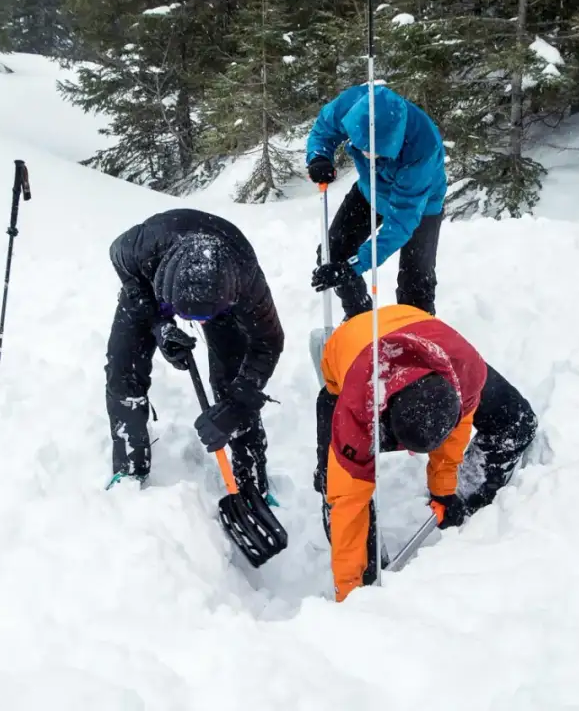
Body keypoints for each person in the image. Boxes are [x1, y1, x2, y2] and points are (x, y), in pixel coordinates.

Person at [315, 298, 538, 602]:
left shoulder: (464, 369)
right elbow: (349, 499)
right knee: (341, 492)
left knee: (516, 422)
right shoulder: (356, 410)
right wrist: (350, 593)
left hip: (431, 341)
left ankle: (467, 490)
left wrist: (444, 490)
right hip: (349, 356)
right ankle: (363, 580)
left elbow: (458, 426)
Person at [104, 208, 285, 498]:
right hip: (151, 290)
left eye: (203, 320)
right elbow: (118, 258)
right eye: (190, 318)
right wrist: (159, 325)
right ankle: (129, 466)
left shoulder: (246, 280)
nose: (198, 326)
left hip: (220, 294)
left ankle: (249, 476)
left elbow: (269, 343)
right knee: (123, 366)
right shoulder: (142, 246)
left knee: (233, 373)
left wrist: (237, 404)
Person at [306, 83, 448, 318]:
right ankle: (360, 319)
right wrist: (319, 156)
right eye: (360, 146)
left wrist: (354, 267)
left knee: (416, 280)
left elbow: (400, 222)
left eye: (374, 151)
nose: (364, 154)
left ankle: (417, 337)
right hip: (369, 191)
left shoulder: (423, 146)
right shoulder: (356, 103)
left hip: (421, 206)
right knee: (333, 253)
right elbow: (324, 129)